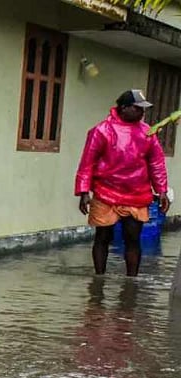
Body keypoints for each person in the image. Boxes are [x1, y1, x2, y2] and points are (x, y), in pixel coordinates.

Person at [76, 89, 170, 277]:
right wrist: (84, 192)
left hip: (136, 194)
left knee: (133, 239)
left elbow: (156, 163)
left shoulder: (147, 132)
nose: (142, 112)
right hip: (105, 192)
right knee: (102, 237)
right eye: (137, 108)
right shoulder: (102, 130)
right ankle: (99, 279)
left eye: (143, 109)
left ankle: (131, 282)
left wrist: (162, 191)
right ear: (124, 108)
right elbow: (87, 162)